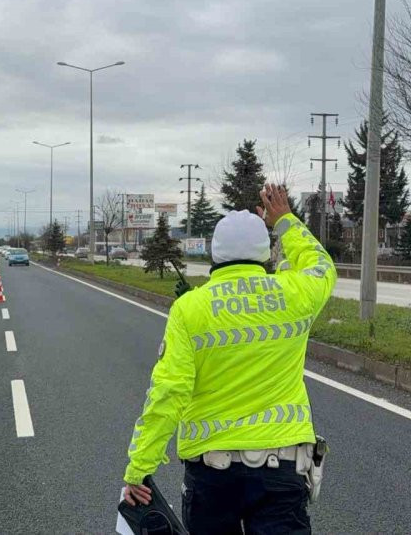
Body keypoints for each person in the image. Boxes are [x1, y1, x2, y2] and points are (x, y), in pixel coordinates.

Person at [122, 184, 336, 534]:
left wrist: (139, 468)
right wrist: (285, 222)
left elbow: (167, 394)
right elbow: (320, 266)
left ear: (214, 255)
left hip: (212, 477)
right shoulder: (294, 295)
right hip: (281, 469)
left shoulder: (190, 309)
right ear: (264, 253)